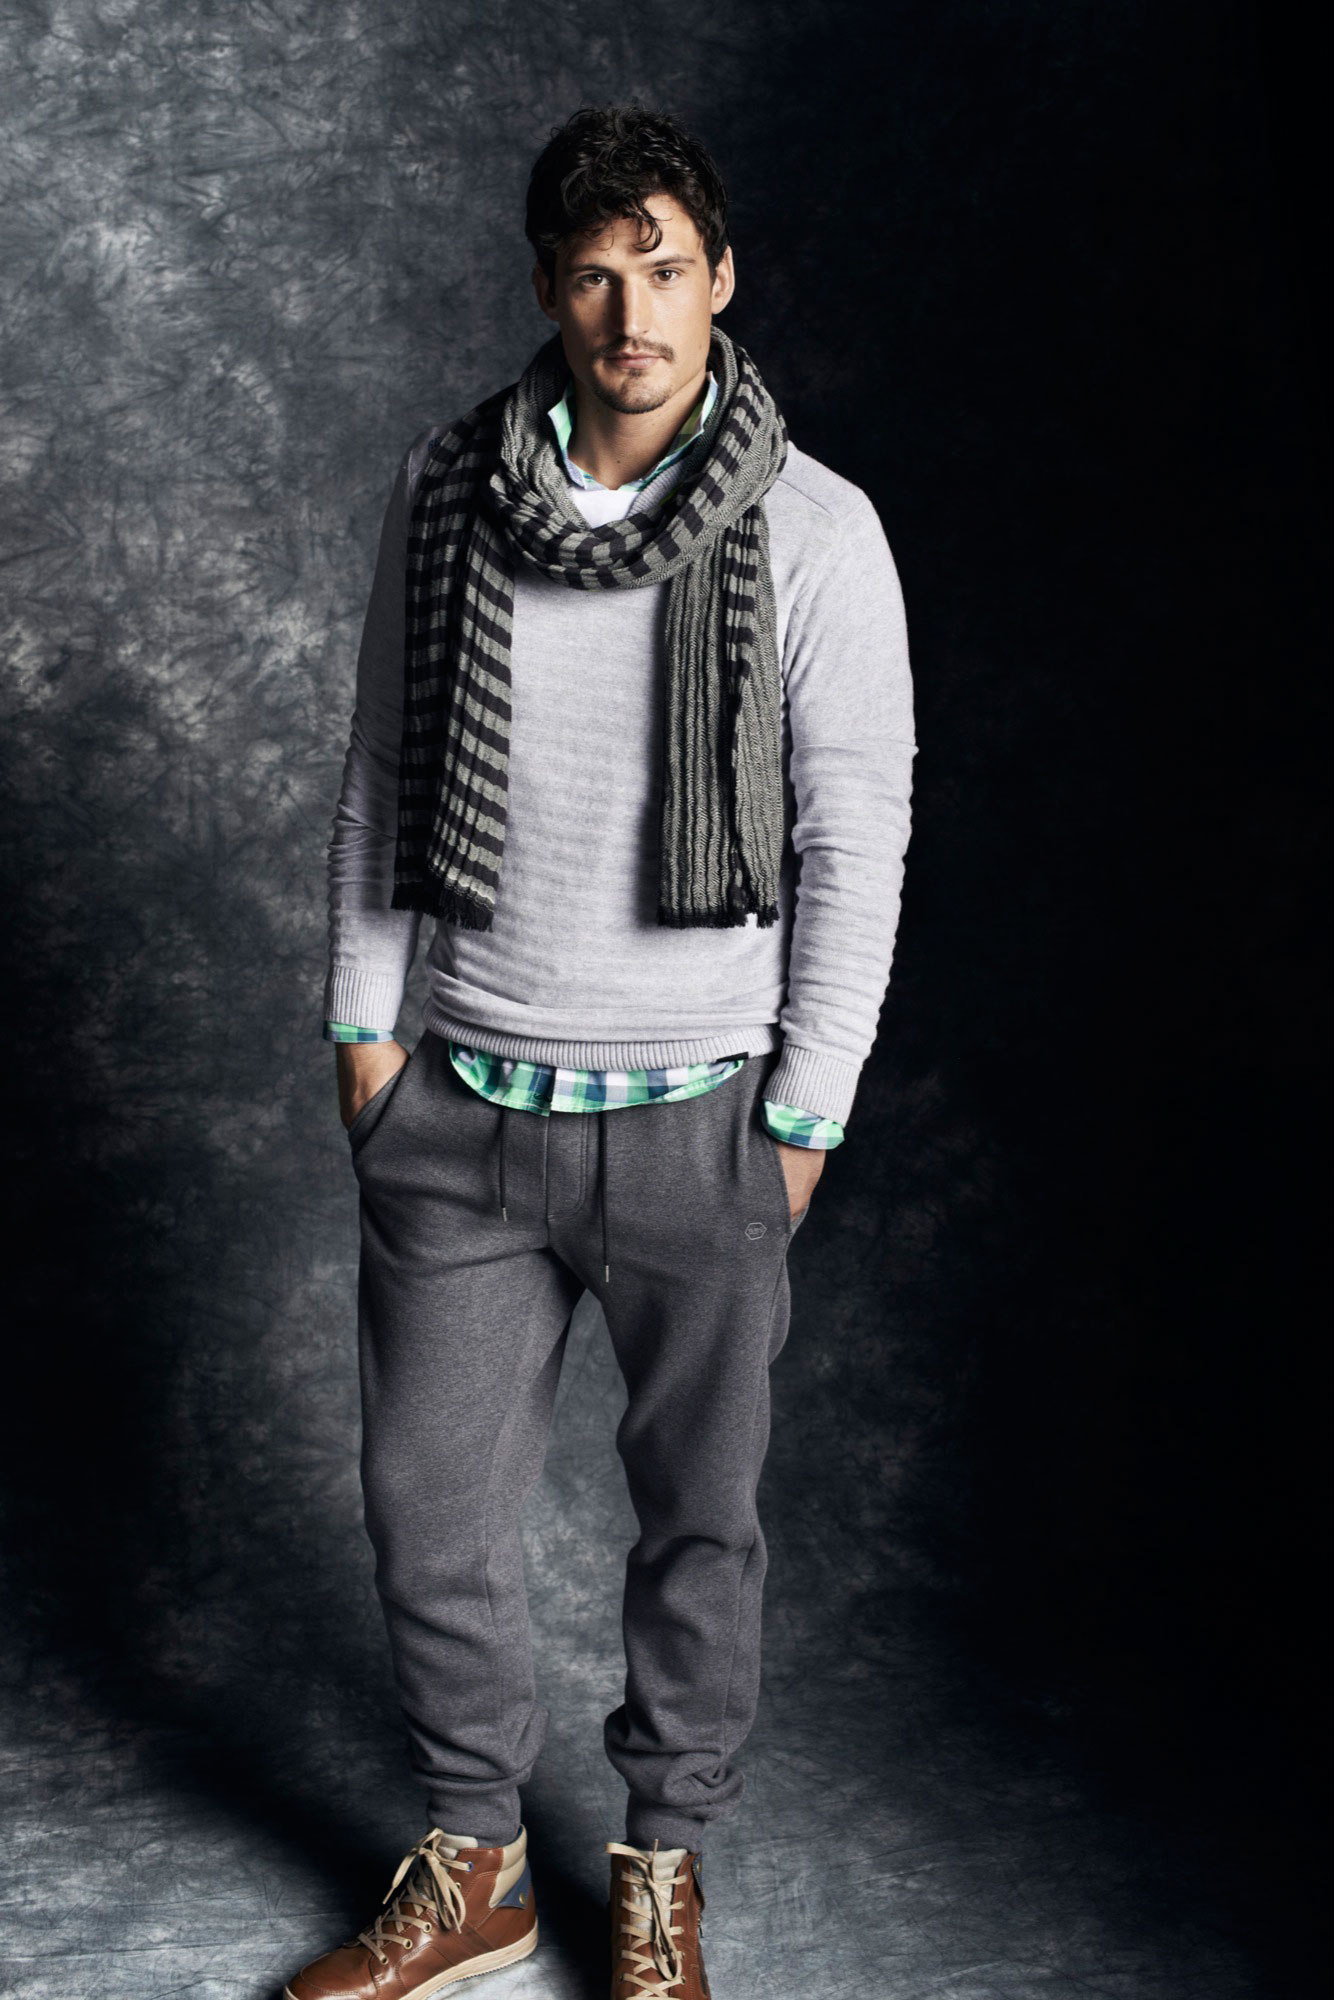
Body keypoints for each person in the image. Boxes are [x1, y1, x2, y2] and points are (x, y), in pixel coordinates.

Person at [284, 101, 915, 2000]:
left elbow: (853, 834)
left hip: (699, 1120)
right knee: (431, 1517)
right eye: (590, 275)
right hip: (461, 1112)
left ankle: (659, 1865)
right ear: (547, 293)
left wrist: (800, 1119)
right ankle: (476, 1866)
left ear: (719, 279)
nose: (629, 313)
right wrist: (363, 1039)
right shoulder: (444, 489)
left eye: (662, 267)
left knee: (697, 1528)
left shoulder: (816, 531)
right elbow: (384, 767)